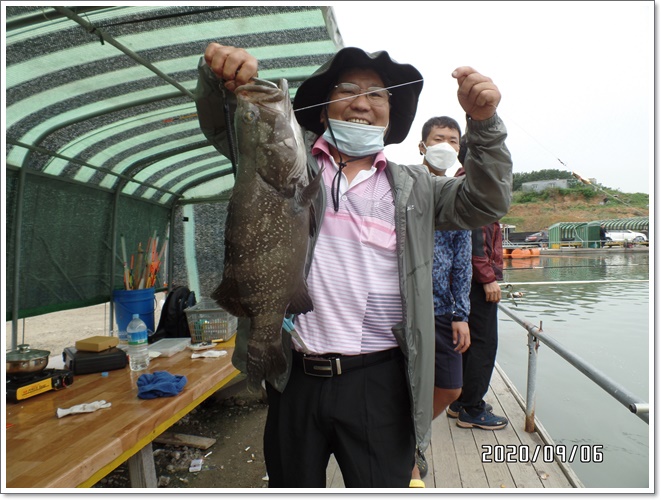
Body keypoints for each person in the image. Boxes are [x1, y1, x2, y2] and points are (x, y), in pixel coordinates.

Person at [195, 43, 512, 488]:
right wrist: (220, 79)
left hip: (380, 381)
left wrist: (485, 125)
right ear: (324, 109)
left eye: (376, 95)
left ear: (390, 115)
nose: (362, 103)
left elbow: (487, 200)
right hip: (294, 377)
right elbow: (224, 124)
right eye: (347, 90)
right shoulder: (287, 162)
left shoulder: (418, 187)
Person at [410, 116, 473, 488]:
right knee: (403, 383)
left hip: (441, 309)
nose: (445, 146)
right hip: (403, 308)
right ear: (422, 145)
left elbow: (462, 260)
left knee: (451, 388)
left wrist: (461, 313)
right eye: (438, 139)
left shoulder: (458, 193)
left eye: (453, 141)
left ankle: (412, 435)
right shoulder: (403, 186)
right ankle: (409, 455)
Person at [448, 139, 508, 430]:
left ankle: (460, 400)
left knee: (469, 343)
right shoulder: (475, 185)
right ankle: (472, 408)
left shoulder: (461, 181)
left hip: (466, 278)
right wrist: (488, 278)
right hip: (477, 279)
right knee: (484, 344)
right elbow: (475, 236)